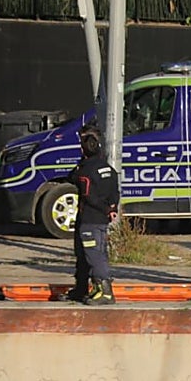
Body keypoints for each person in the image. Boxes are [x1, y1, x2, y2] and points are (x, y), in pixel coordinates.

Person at [63, 125, 119, 305]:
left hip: (89, 220)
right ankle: (81, 289)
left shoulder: (84, 171)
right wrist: (111, 208)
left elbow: (87, 193)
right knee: (84, 255)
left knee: (94, 256)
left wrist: (104, 209)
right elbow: (115, 193)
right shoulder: (108, 168)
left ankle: (105, 292)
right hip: (99, 220)